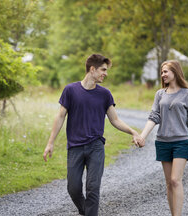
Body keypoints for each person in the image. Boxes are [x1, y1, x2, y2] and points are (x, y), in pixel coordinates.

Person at [43, 54, 144, 216]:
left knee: (93, 187)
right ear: (92, 69)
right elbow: (60, 116)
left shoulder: (105, 94)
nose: (106, 73)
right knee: (73, 188)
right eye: (103, 70)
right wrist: (50, 142)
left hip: (96, 147)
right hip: (75, 147)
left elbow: (115, 119)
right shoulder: (70, 90)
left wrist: (132, 131)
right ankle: (87, 211)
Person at [139, 60, 188, 216]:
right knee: (168, 183)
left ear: (175, 72)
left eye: (165, 71)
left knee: (175, 180)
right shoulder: (160, 94)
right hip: (163, 142)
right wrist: (142, 136)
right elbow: (154, 116)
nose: (163, 75)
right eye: (162, 72)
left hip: (181, 142)